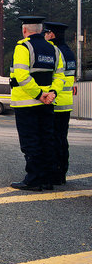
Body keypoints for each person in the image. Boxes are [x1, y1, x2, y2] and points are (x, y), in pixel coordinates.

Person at [9, 16, 65, 191]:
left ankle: (33, 180)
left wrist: (39, 94)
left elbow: (22, 76)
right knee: (46, 139)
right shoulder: (54, 50)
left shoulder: (23, 47)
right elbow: (60, 76)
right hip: (48, 104)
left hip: (27, 104)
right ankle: (47, 179)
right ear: (41, 30)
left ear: (25, 30)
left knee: (30, 142)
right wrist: (52, 93)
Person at [44, 21, 77, 185]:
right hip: (66, 102)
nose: (44, 35)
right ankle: (61, 172)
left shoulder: (55, 51)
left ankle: (54, 173)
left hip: (55, 102)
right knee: (62, 139)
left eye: (47, 32)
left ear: (52, 34)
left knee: (52, 139)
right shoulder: (69, 52)